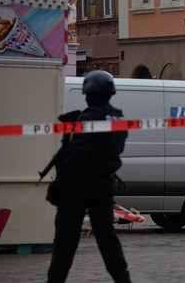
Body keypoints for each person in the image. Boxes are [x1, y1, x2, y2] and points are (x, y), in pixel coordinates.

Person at [47, 70, 130, 283]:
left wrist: (59, 183)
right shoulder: (118, 116)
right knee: (107, 239)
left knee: (66, 240)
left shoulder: (89, 118)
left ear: (88, 94)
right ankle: (123, 279)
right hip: (105, 184)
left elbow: (77, 155)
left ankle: (55, 280)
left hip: (79, 187)